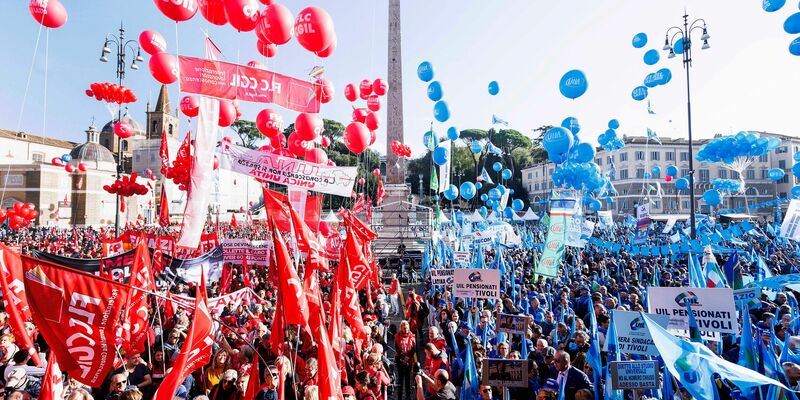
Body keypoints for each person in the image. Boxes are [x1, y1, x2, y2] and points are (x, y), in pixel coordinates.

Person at [395, 320, 416, 400]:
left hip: (409, 361)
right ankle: (399, 397)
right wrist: (403, 358)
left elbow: (414, 349)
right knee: (400, 379)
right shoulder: (397, 336)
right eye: (404, 328)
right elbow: (397, 348)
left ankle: (408, 397)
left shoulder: (412, 336)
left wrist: (408, 357)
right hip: (400, 360)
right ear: (401, 328)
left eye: (407, 328)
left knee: (408, 380)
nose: (406, 330)